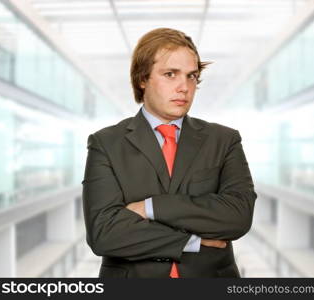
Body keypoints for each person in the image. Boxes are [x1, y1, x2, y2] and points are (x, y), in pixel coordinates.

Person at [82, 28, 257, 278]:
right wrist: (194, 241)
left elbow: (238, 216)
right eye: (170, 74)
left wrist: (150, 208)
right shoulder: (106, 143)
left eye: (191, 76)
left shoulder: (224, 140)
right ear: (142, 78)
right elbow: (104, 234)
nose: (184, 87)